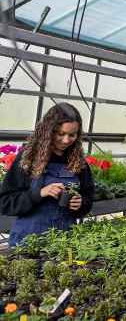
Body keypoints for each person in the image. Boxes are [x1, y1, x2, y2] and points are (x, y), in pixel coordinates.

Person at [0, 103, 94, 246]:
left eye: (72, 135)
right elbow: (5, 202)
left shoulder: (78, 163)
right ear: (48, 131)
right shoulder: (28, 159)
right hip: (28, 243)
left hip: (64, 241)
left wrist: (80, 204)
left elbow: (88, 197)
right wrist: (38, 193)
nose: (66, 140)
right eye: (60, 133)